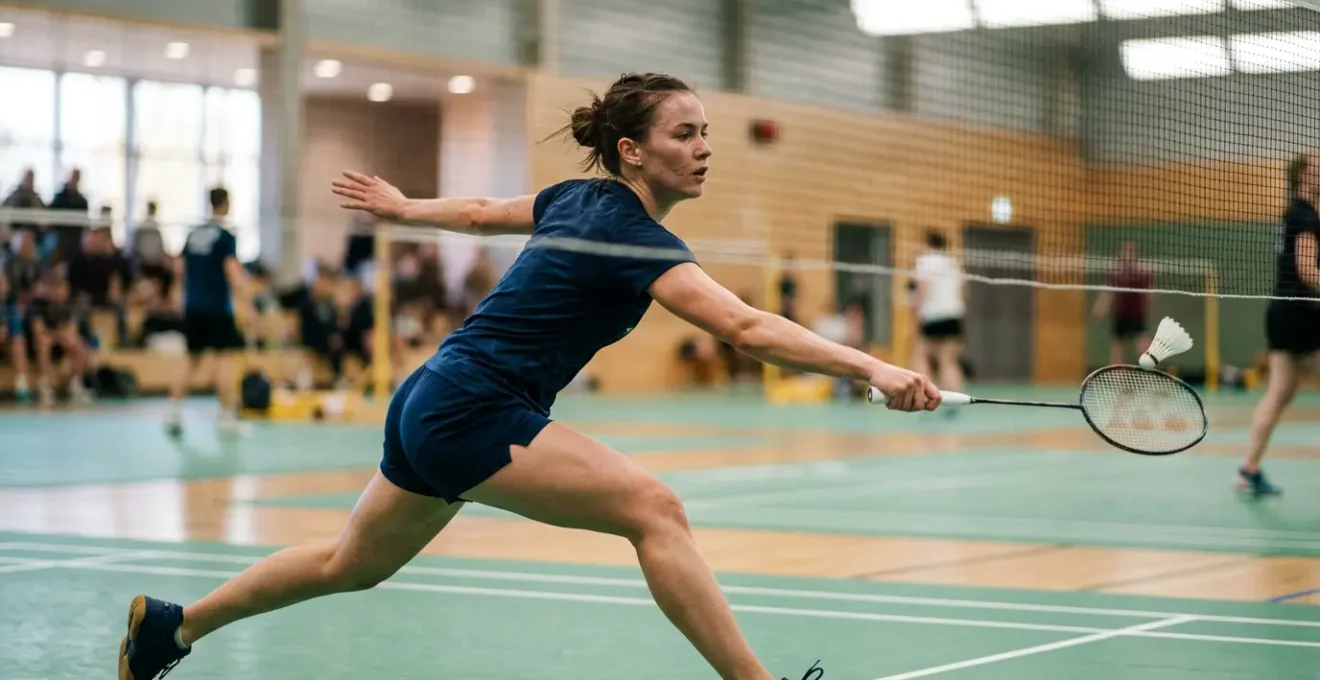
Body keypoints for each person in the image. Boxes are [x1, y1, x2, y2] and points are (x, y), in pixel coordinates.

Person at [117, 72, 940, 680]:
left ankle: (173, 627)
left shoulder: (572, 198)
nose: (703, 149)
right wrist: (874, 368)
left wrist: (406, 209)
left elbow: (478, 212)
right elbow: (746, 326)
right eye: (684, 134)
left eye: (704, 133)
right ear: (633, 150)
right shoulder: (630, 235)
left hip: (432, 396)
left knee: (350, 564)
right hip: (474, 408)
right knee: (657, 510)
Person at [1237, 151, 1320, 498]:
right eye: (1318, 169)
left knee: (1280, 392)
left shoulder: (1293, 212)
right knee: (1280, 392)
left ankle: (1248, 470)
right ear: (1303, 177)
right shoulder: (1305, 215)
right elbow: (1307, 270)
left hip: (1281, 312)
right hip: (1302, 314)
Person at [164, 187, 250, 438]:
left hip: (193, 308)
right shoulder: (224, 237)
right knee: (225, 361)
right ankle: (227, 419)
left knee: (191, 361)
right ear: (225, 204)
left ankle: (173, 411)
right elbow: (233, 273)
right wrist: (249, 300)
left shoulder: (192, 236)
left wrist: (181, 296)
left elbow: (179, 269)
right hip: (216, 309)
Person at [912, 230, 966, 399]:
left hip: (932, 316)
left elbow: (924, 287)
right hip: (953, 315)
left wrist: (918, 312)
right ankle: (956, 399)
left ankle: (923, 396)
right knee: (948, 361)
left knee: (921, 355)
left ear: (928, 244)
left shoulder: (925, 261)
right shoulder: (952, 263)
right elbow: (963, 287)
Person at [1091, 240, 1154, 366]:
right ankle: (1116, 375)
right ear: (1121, 253)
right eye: (1126, 251)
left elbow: (1150, 292)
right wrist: (1100, 308)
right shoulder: (1116, 270)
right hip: (1121, 313)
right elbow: (1108, 292)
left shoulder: (1143, 270)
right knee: (1117, 344)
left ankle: (1147, 372)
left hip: (1137, 313)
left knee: (1143, 343)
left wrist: (1150, 306)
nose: (1128, 254)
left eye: (1131, 251)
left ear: (1136, 253)